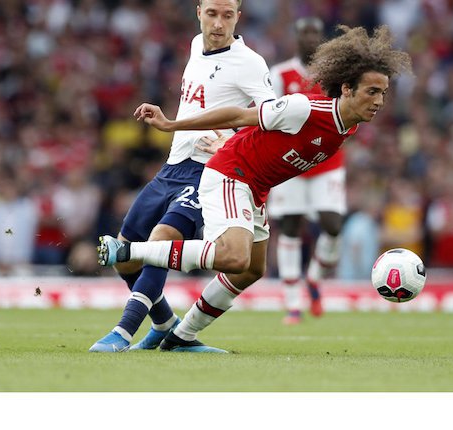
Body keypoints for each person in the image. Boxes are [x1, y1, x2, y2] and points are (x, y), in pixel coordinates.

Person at [98, 25, 412, 353]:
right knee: (234, 256)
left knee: (251, 270)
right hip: (231, 173)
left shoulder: (348, 126)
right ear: (346, 88)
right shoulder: (304, 109)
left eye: (384, 93)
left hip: (256, 187)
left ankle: (181, 337)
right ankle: (127, 252)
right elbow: (240, 114)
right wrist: (172, 125)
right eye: (372, 91)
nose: (379, 101)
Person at [89, 0, 276, 352]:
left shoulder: (250, 62)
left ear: (239, 16)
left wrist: (230, 140)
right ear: (198, 12)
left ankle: (123, 332)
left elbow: (273, 117)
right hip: (173, 166)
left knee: (160, 240)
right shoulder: (195, 45)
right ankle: (165, 324)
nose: (219, 23)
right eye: (212, 14)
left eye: (227, 15)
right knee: (126, 254)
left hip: (210, 172)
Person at [268, 17, 346, 324]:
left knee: (333, 225)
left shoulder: (334, 74)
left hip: (327, 160)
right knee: (290, 225)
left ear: (322, 37)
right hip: (290, 161)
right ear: (296, 38)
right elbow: (269, 112)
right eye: (305, 33)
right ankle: (292, 304)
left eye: (315, 32)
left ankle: (314, 279)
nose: (310, 38)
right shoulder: (281, 74)